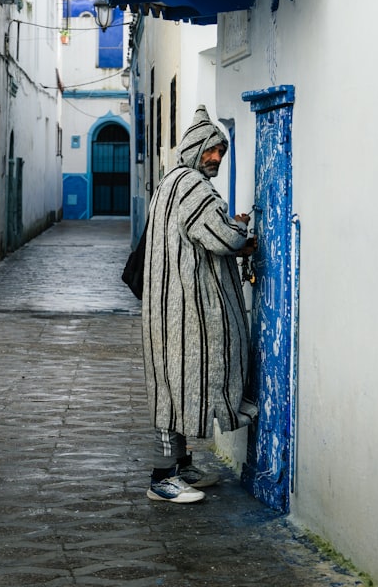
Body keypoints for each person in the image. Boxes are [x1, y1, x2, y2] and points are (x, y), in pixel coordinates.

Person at [141, 105, 257, 503]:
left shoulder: (170, 181)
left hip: (167, 305)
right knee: (177, 388)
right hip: (183, 309)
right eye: (211, 151)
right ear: (194, 148)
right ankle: (162, 478)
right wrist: (240, 228)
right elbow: (222, 238)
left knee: (174, 383)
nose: (217, 159)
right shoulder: (192, 186)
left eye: (222, 153)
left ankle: (182, 466)